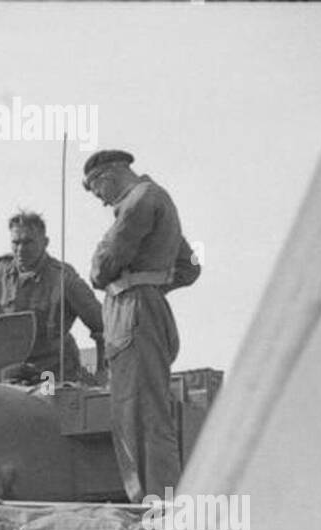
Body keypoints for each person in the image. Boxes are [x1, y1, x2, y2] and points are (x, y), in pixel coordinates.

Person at [84, 150, 201, 500]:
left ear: (109, 174)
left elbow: (101, 269)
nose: (101, 201)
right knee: (148, 410)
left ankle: (155, 504)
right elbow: (189, 266)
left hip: (132, 312)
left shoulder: (138, 201)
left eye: (95, 189)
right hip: (149, 308)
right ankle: (159, 501)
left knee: (136, 415)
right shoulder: (158, 199)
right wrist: (153, 282)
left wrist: (135, 284)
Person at [0, 210, 104, 385]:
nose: (20, 250)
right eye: (15, 243)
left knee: (46, 405)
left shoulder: (63, 278)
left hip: (51, 374)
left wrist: (103, 372)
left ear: (45, 243)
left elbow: (102, 326)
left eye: (28, 242)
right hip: (12, 373)